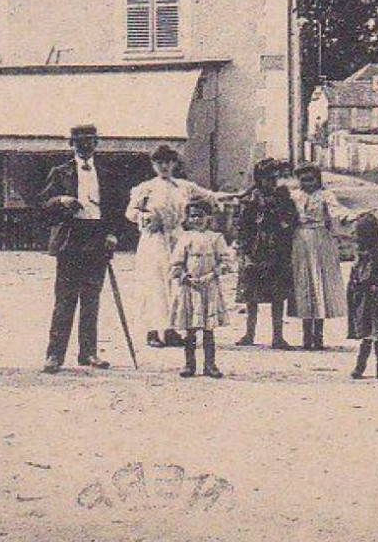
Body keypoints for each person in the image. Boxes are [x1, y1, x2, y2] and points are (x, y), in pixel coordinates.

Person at [40, 124, 126, 373]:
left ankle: (88, 353)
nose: (85, 145)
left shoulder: (108, 172)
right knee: (65, 298)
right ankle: (55, 355)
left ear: (96, 142)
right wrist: (61, 200)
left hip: (98, 236)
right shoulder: (60, 172)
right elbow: (43, 203)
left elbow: (118, 207)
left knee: (91, 299)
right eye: (79, 141)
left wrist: (112, 234)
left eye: (89, 140)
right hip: (71, 237)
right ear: (71, 144)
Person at [125, 144, 229, 349]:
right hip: (154, 239)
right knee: (154, 283)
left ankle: (171, 330)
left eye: (168, 162)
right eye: (159, 162)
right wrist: (145, 217)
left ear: (174, 163)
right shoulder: (146, 187)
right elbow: (131, 212)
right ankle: (152, 331)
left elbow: (210, 195)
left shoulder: (184, 186)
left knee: (175, 282)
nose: (164, 166)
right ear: (153, 164)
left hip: (177, 238)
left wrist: (235, 195)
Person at [234, 158, 300, 349]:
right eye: (267, 178)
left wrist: (284, 223)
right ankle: (249, 333)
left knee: (277, 295)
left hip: (277, 250)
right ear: (259, 179)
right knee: (251, 295)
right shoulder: (251, 199)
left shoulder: (284, 199)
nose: (271, 182)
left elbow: (292, 221)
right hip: (255, 249)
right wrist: (244, 250)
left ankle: (278, 336)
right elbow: (242, 226)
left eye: (275, 178)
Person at [288, 163, 353, 350]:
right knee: (304, 285)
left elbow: (336, 211)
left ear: (318, 180)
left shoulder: (326, 196)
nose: (307, 183)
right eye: (303, 179)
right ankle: (306, 335)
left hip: (320, 240)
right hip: (300, 241)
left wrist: (349, 216)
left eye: (311, 179)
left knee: (320, 284)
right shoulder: (294, 196)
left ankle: (319, 334)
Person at [168, 196, 233, 379]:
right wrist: (184, 277)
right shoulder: (184, 238)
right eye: (193, 216)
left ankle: (210, 365)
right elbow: (176, 264)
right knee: (190, 329)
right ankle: (189, 364)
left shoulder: (216, 238)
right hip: (190, 288)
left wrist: (211, 275)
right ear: (188, 218)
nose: (197, 220)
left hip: (208, 287)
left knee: (208, 329)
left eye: (201, 216)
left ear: (209, 217)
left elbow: (226, 262)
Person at [347, 212, 378, 379]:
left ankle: (367, 367)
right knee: (374, 332)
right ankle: (377, 368)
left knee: (371, 332)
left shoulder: (371, 257)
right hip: (370, 295)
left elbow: (365, 277)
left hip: (371, 296)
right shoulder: (373, 255)